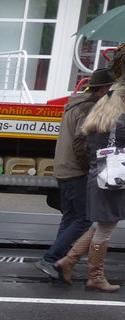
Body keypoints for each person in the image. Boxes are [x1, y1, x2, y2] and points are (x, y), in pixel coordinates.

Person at [36, 68, 114, 281]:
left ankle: (55, 261)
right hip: (76, 170)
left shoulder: (75, 103)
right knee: (84, 218)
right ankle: (50, 258)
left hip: (63, 169)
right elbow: (81, 142)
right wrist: (90, 166)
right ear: (105, 88)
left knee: (70, 217)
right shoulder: (89, 107)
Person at [69, 80, 125, 292]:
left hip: (100, 178)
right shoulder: (120, 124)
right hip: (113, 181)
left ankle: (69, 260)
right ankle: (95, 276)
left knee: (100, 226)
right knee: (105, 230)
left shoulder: (98, 119)